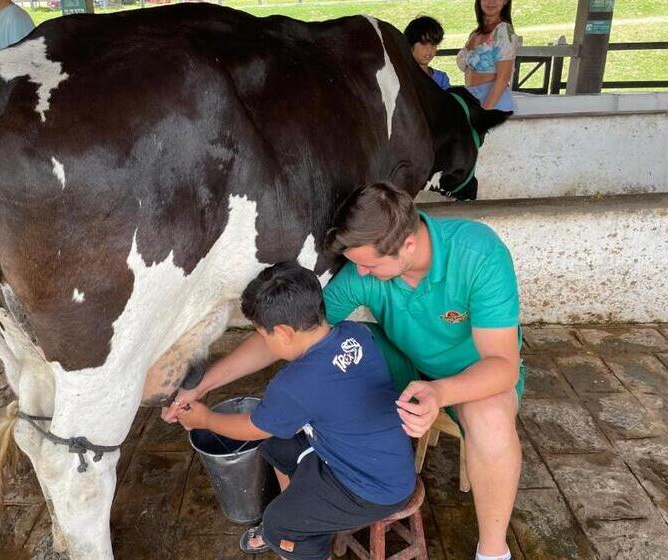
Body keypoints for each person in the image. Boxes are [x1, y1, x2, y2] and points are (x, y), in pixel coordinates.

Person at [166, 182, 523, 560]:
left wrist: (440, 393)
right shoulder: (365, 271)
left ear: (408, 245)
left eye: (369, 264)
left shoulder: (477, 253)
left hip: (469, 373)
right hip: (404, 359)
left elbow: (503, 367)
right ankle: (316, 492)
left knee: (491, 419)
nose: (361, 273)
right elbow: (291, 334)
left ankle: (493, 552)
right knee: (322, 368)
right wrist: (202, 385)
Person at [174, 262, 416, 560]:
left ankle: (297, 534)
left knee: (279, 524)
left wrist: (205, 419)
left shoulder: (295, 383)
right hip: (381, 460)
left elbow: (253, 427)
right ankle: (305, 513)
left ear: (285, 333)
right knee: (277, 445)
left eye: (263, 336)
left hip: (371, 489)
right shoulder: (354, 334)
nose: (264, 343)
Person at [456, 0, 520, 111]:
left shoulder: (503, 31)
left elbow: (503, 78)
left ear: (505, 2)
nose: (491, 1)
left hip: (492, 102)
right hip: (472, 99)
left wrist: (485, 111)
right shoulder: (475, 33)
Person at [404, 16, 451, 90]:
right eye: (424, 44)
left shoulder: (442, 78)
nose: (429, 50)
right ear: (410, 45)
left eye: (433, 44)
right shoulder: (403, 78)